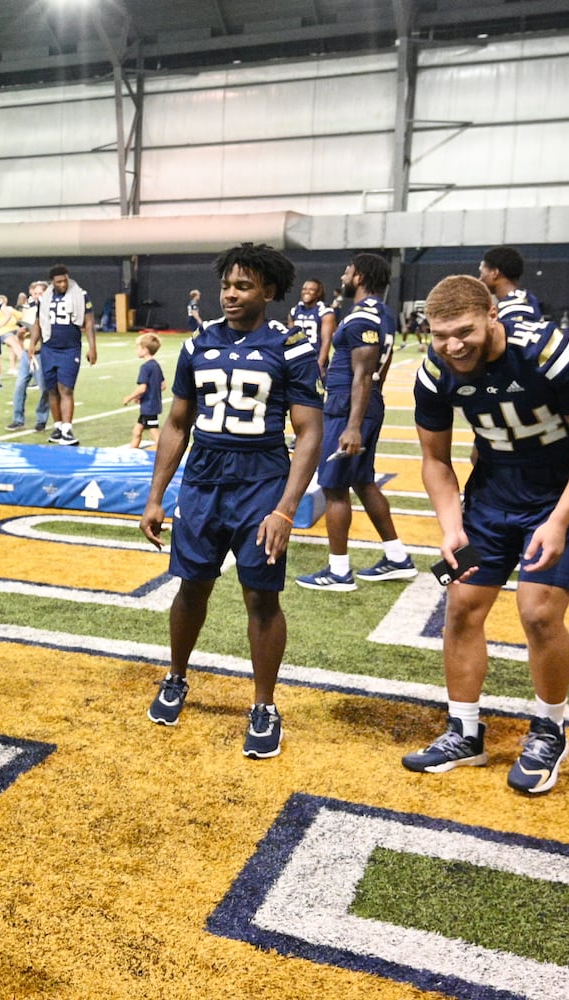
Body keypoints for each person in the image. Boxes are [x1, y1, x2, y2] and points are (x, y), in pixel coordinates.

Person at [402, 275, 569, 794]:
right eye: (441, 334)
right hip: (493, 495)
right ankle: (464, 732)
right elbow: (434, 459)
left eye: (465, 331)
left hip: (563, 492)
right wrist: (451, 526)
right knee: (462, 606)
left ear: (492, 315)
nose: (453, 345)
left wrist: (560, 519)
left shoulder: (551, 352)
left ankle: (549, 729)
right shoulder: (435, 371)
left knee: (539, 613)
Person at [140, 243, 323, 758]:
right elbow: (177, 422)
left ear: (268, 291)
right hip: (202, 479)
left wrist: (285, 509)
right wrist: (156, 497)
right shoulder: (199, 343)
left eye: (243, 286)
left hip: (261, 480)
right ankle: (176, 675)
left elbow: (309, 433)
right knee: (191, 584)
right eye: (227, 285)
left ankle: (264, 704)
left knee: (261, 595)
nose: (231, 294)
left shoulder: (289, 346)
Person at [297, 253, 416, 591]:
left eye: (347, 270)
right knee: (363, 482)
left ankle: (338, 572)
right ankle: (397, 557)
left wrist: (352, 425)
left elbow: (363, 375)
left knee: (334, 487)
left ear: (360, 276)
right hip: (363, 405)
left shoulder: (363, 316)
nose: (343, 276)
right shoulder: (383, 312)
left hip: (350, 407)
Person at [28, 264, 96, 446]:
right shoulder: (45, 298)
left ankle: (67, 429)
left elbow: (89, 323)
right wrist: (32, 344)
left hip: (70, 348)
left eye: (65, 280)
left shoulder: (80, 295)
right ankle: (58, 427)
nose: (63, 284)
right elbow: (38, 323)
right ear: (52, 282)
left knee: (66, 388)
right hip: (49, 348)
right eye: (58, 281)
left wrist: (92, 347)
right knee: (51, 389)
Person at [6, 281, 51, 432]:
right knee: (19, 386)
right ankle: (18, 419)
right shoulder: (28, 310)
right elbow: (20, 335)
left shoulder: (49, 310)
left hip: (41, 354)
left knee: (44, 388)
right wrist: (20, 334)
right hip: (27, 354)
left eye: (40, 293)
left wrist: (35, 332)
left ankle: (41, 419)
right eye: (36, 293)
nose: (37, 296)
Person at [478, 246, 542, 328]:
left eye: (481, 273)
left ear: (495, 273)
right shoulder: (525, 298)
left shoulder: (514, 308)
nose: (480, 279)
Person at [122, 332, 163, 449]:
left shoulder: (145, 367)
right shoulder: (156, 365)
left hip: (149, 407)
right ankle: (131, 452)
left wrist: (129, 398)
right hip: (151, 404)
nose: (137, 350)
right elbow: (163, 385)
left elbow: (142, 387)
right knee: (137, 431)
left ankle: (165, 455)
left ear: (145, 350)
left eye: (138, 347)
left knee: (154, 432)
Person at [288, 279, 337, 371]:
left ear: (318, 293)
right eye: (304, 289)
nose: (306, 292)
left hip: (315, 357)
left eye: (311, 289)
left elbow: (326, 340)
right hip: (298, 358)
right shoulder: (295, 311)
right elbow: (290, 338)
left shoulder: (324, 312)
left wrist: (320, 363)